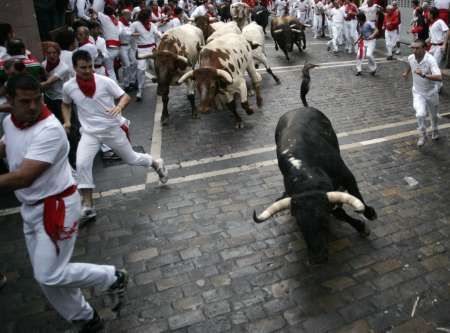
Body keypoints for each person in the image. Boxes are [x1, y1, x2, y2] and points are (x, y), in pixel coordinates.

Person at [0, 73, 128, 332]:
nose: (34, 106)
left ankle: (112, 277)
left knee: (49, 273)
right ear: (10, 101)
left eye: (37, 100)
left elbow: (24, 177)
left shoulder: (50, 129)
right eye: (25, 102)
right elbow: (6, 147)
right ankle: (85, 318)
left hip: (56, 207)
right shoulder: (10, 122)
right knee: (46, 277)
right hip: (31, 207)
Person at [61, 50, 168, 221]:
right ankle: (88, 205)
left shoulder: (105, 82)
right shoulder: (69, 87)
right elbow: (65, 104)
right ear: (74, 68)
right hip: (89, 133)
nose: (88, 71)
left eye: (90, 66)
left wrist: (119, 107)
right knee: (81, 164)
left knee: (131, 159)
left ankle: (155, 163)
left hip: (112, 129)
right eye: (83, 68)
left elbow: (124, 96)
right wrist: (67, 121)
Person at [402, 39, 442, 146]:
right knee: (420, 114)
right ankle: (423, 134)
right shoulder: (411, 57)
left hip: (431, 92)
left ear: (424, 48)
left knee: (433, 116)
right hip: (418, 92)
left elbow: (439, 77)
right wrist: (406, 73)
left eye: (417, 48)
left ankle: (434, 129)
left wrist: (423, 74)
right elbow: (410, 64)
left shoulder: (430, 60)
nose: (414, 50)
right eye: (412, 48)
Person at [130, 9, 161, 101]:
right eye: (149, 16)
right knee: (140, 70)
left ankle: (160, 85)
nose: (151, 18)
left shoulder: (152, 25)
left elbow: (157, 33)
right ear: (144, 17)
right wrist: (133, 34)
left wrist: (162, 36)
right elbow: (127, 32)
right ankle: (140, 91)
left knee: (157, 68)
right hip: (141, 50)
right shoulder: (135, 24)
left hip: (152, 50)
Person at [355, 11, 378, 76]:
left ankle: (373, 68)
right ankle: (359, 70)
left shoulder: (369, 23)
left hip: (371, 41)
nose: (357, 20)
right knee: (359, 55)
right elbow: (361, 34)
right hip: (363, 41)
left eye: (358, 18)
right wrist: (357, 40)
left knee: (368, 55)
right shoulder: (359, 24)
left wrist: (372, 35)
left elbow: (376, 30)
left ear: (361, 18)